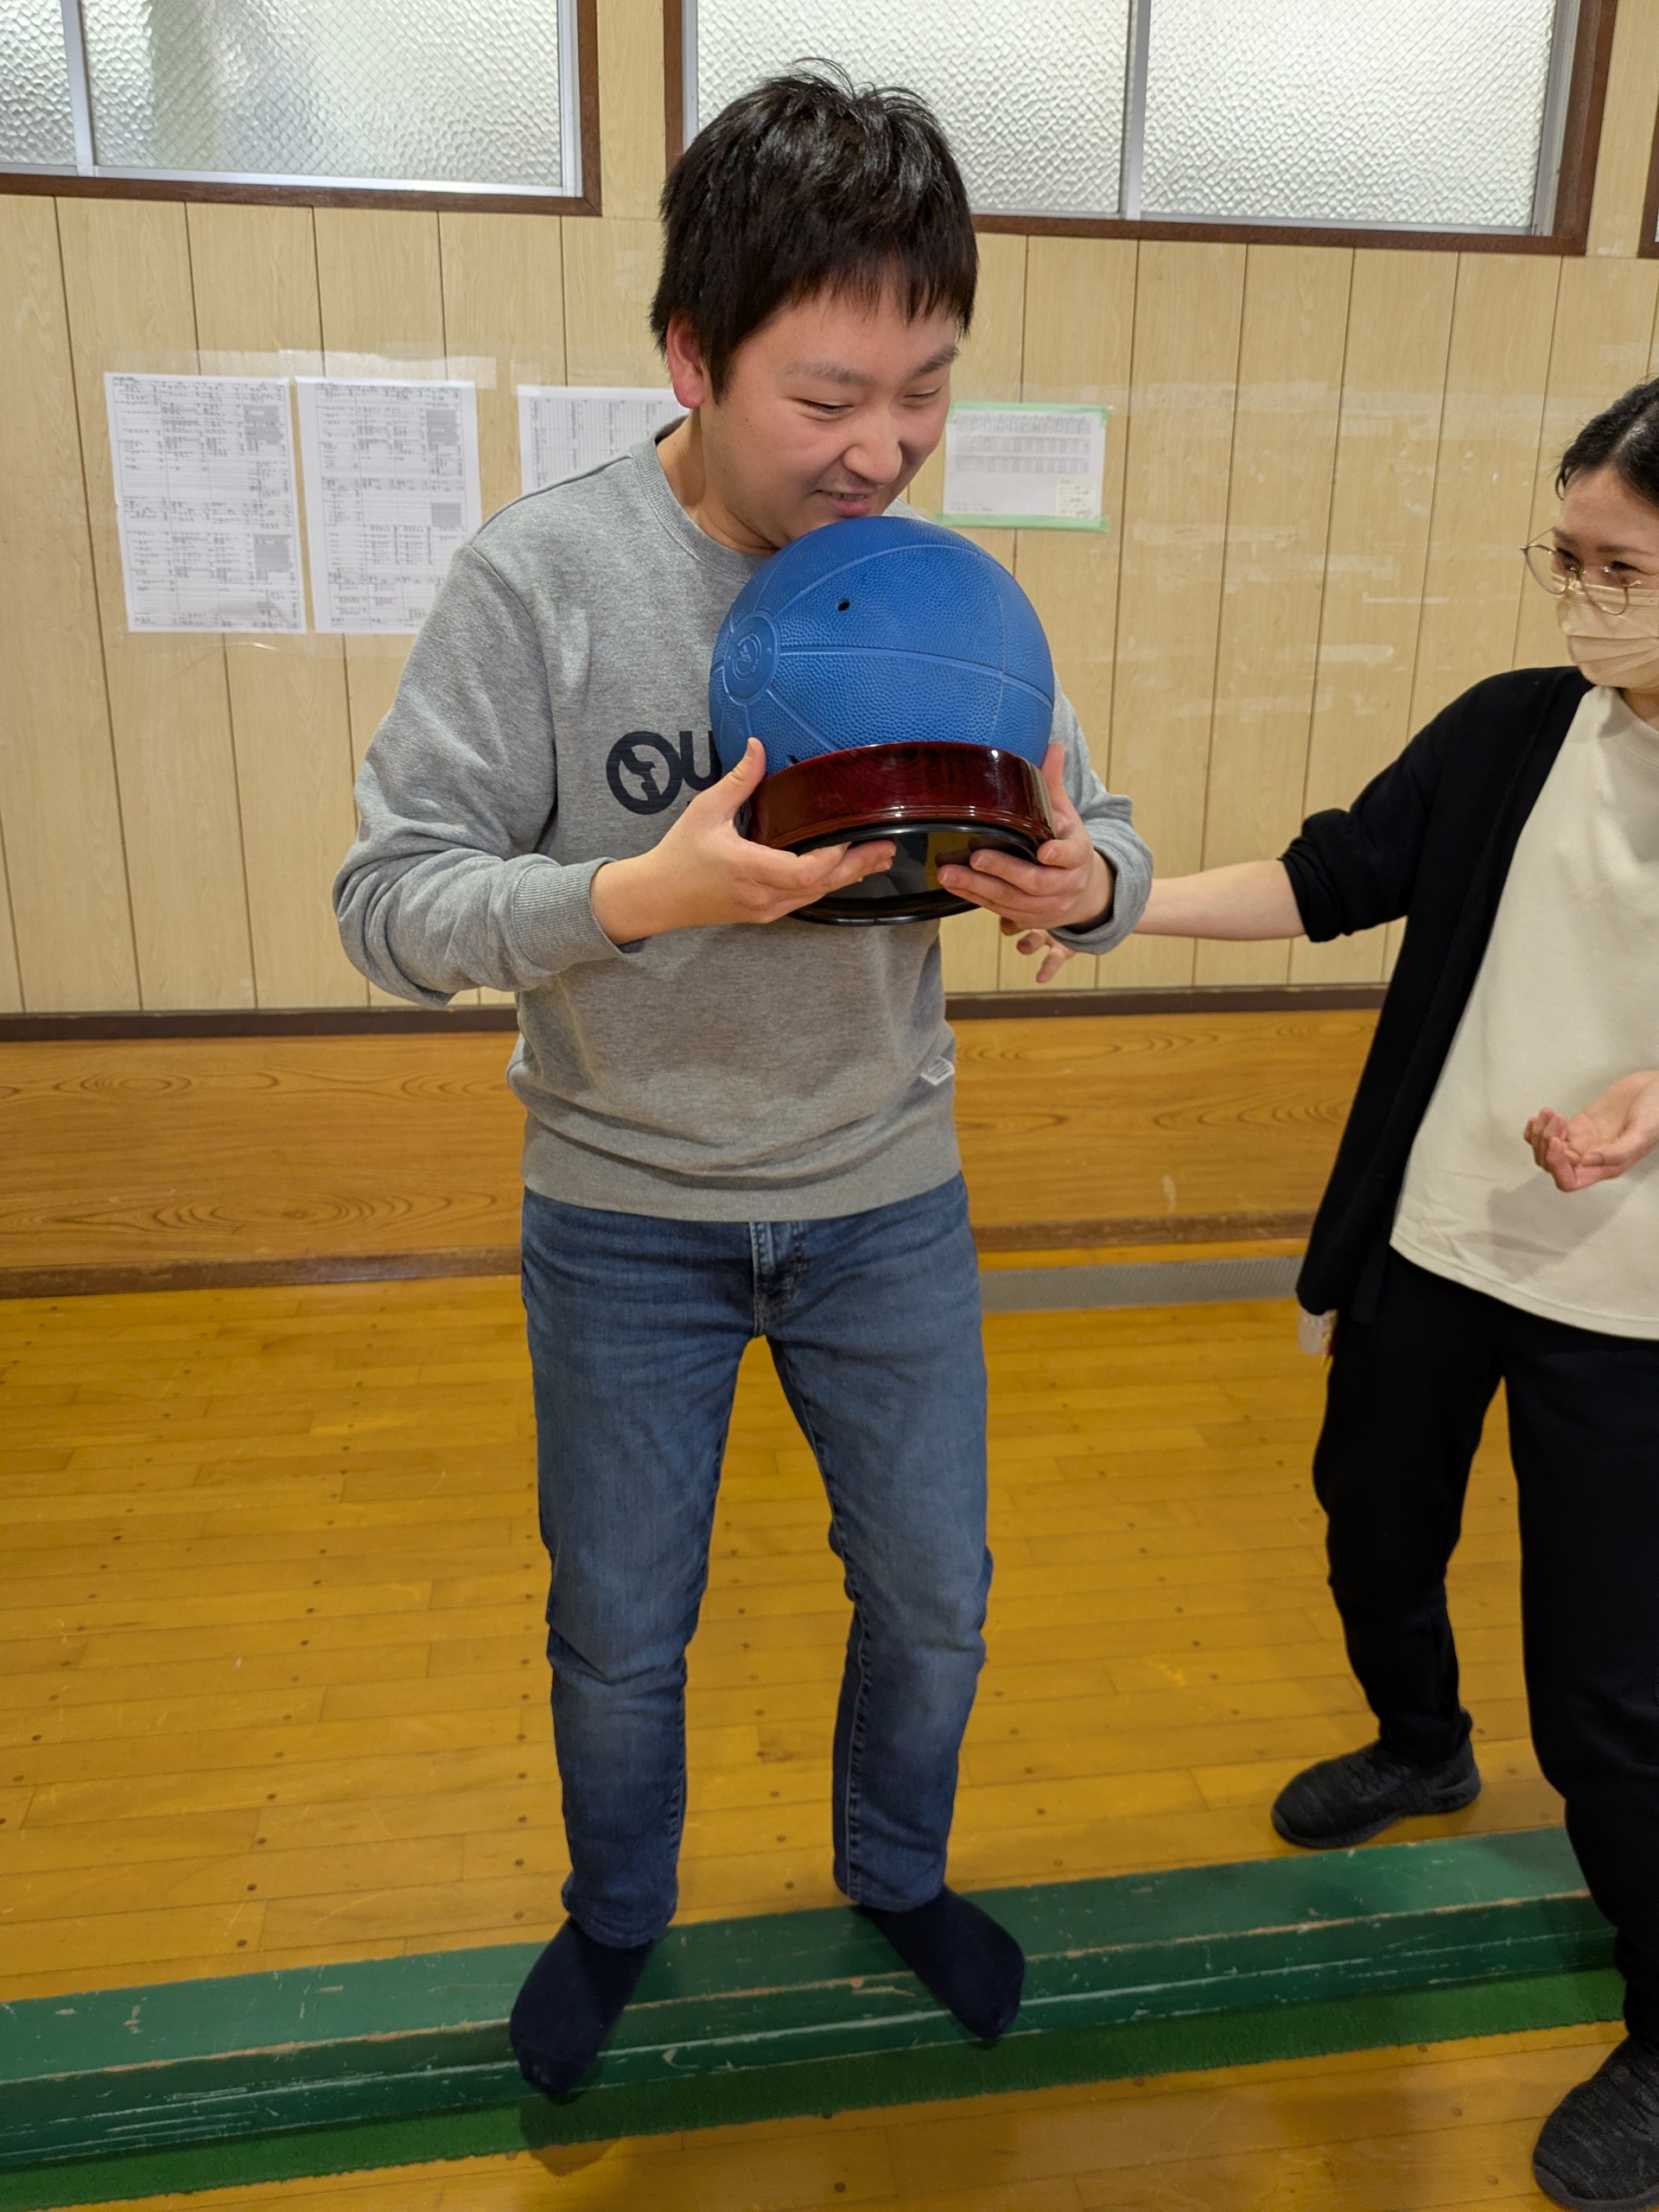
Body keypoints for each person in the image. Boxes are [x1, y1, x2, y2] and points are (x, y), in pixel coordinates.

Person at [334, 69, 1151, 2098]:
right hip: (624, 1215)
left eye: (927, 389)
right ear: (692, 356)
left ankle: (898, 1871)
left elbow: (1105, 827)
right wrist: (642, 891)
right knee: (620, 1627)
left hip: (887, 1196)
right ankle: (618, 1911)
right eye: (829, 394)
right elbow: (389, 902)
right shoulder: (542, 581)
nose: (884, 446)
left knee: (937, 1599)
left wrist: (1088, 881)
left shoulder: (937, 599)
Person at [1014, 381, 1659, 2212]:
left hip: (1634, 1304)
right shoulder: (1519, 728)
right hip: (1438, 1241)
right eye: (1567, 558)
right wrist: (1110, 896)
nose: (1583, 601)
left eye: (1623, 569)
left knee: (1610, 1694)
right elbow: (1330, 876)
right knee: (1372, 1523)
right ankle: (1421, 1741)